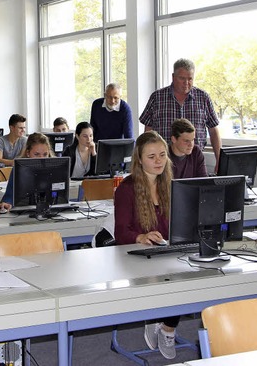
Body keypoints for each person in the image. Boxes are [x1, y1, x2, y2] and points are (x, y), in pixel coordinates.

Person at [113, 130, 178, 359]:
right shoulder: (126, 189)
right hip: (137, 255)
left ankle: (168, 328)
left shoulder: (171, 185)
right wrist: (140, 237)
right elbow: (121, 232)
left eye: (162, 155)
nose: (158, 161)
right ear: (139, 160)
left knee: (185, 277)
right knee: (168, 278)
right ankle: (154, 315)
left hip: (166, 252)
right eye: (151, 157)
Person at [140, 58, 222, 172]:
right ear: (173, 77)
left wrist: (219, 160)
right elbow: (148, 130)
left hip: (194, 162)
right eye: (182, 78)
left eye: (190, 79)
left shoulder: (203, 98)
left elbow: (213, 130)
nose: (186, 83)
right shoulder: (157, 98)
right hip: (162, 162)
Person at [0, 133, 52, 214]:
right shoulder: (18, 170)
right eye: (36, 154)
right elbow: (9, 196)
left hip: (49, 214)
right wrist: (6, 204)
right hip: (22, 216)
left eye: (45, 154)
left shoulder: (54, 169)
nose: (41, 159)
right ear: (28, 153)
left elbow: (60, 196)